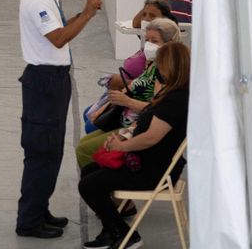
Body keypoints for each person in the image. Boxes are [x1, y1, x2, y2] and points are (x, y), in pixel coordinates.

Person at [16, 0, 102, 239]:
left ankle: (40, 209)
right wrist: (89, 14)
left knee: (52, 150)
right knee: (41, 150)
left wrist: (83, 13)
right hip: (44, 82)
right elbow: (59, 37)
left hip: (53, 80)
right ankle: (29, 221)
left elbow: (62, 28)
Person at [78, 41, 191, 249]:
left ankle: (124, 234)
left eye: (160, 63)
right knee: (89, 171)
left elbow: (151, 138)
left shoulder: (176, 100)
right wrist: (123, 137)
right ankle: (111, 230)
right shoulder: (171, 93)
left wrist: (121, 147)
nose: (156, 67)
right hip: (148, 162)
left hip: (154, 170)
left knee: (89, 185)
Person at [75, 18, 181, 168]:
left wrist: (126, 102)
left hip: (137, 126)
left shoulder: (165, 72)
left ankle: (101, 179)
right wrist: (103, 107)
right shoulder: (152, 63)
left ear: (169, 44)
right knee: (85, 141)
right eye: (147, 39)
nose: (149, 45)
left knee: (84, 150)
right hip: (126, 119)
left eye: (154, 41)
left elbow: (156, 109)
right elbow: (130, 90)